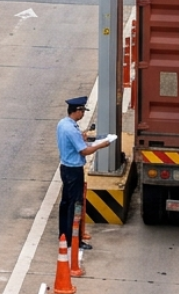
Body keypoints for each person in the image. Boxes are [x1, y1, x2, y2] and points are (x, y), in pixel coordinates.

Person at [57, 96, 112, 250]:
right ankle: (74, 240)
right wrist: (101, 145)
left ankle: (64, 234)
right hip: (74, 171)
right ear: (78, 111)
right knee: (75, 205)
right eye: (82, 112)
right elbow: (83, 151)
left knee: (65, 203)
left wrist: (82, 138)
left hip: (65, 168)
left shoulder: (63, 124)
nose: (83, 115)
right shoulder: (72, 130)